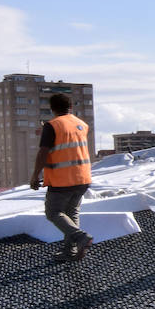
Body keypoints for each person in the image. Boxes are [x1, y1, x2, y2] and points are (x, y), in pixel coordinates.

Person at [30, 93, 93, 262]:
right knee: (71, 213)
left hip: (63, 178)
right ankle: (70, 251)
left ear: (52, 108)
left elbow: (44, 152)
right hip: (83, 177)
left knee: (53, 212)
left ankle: (80, 237)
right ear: (70, 106)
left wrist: (35, 175)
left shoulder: (52, 126)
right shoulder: (81, 124)